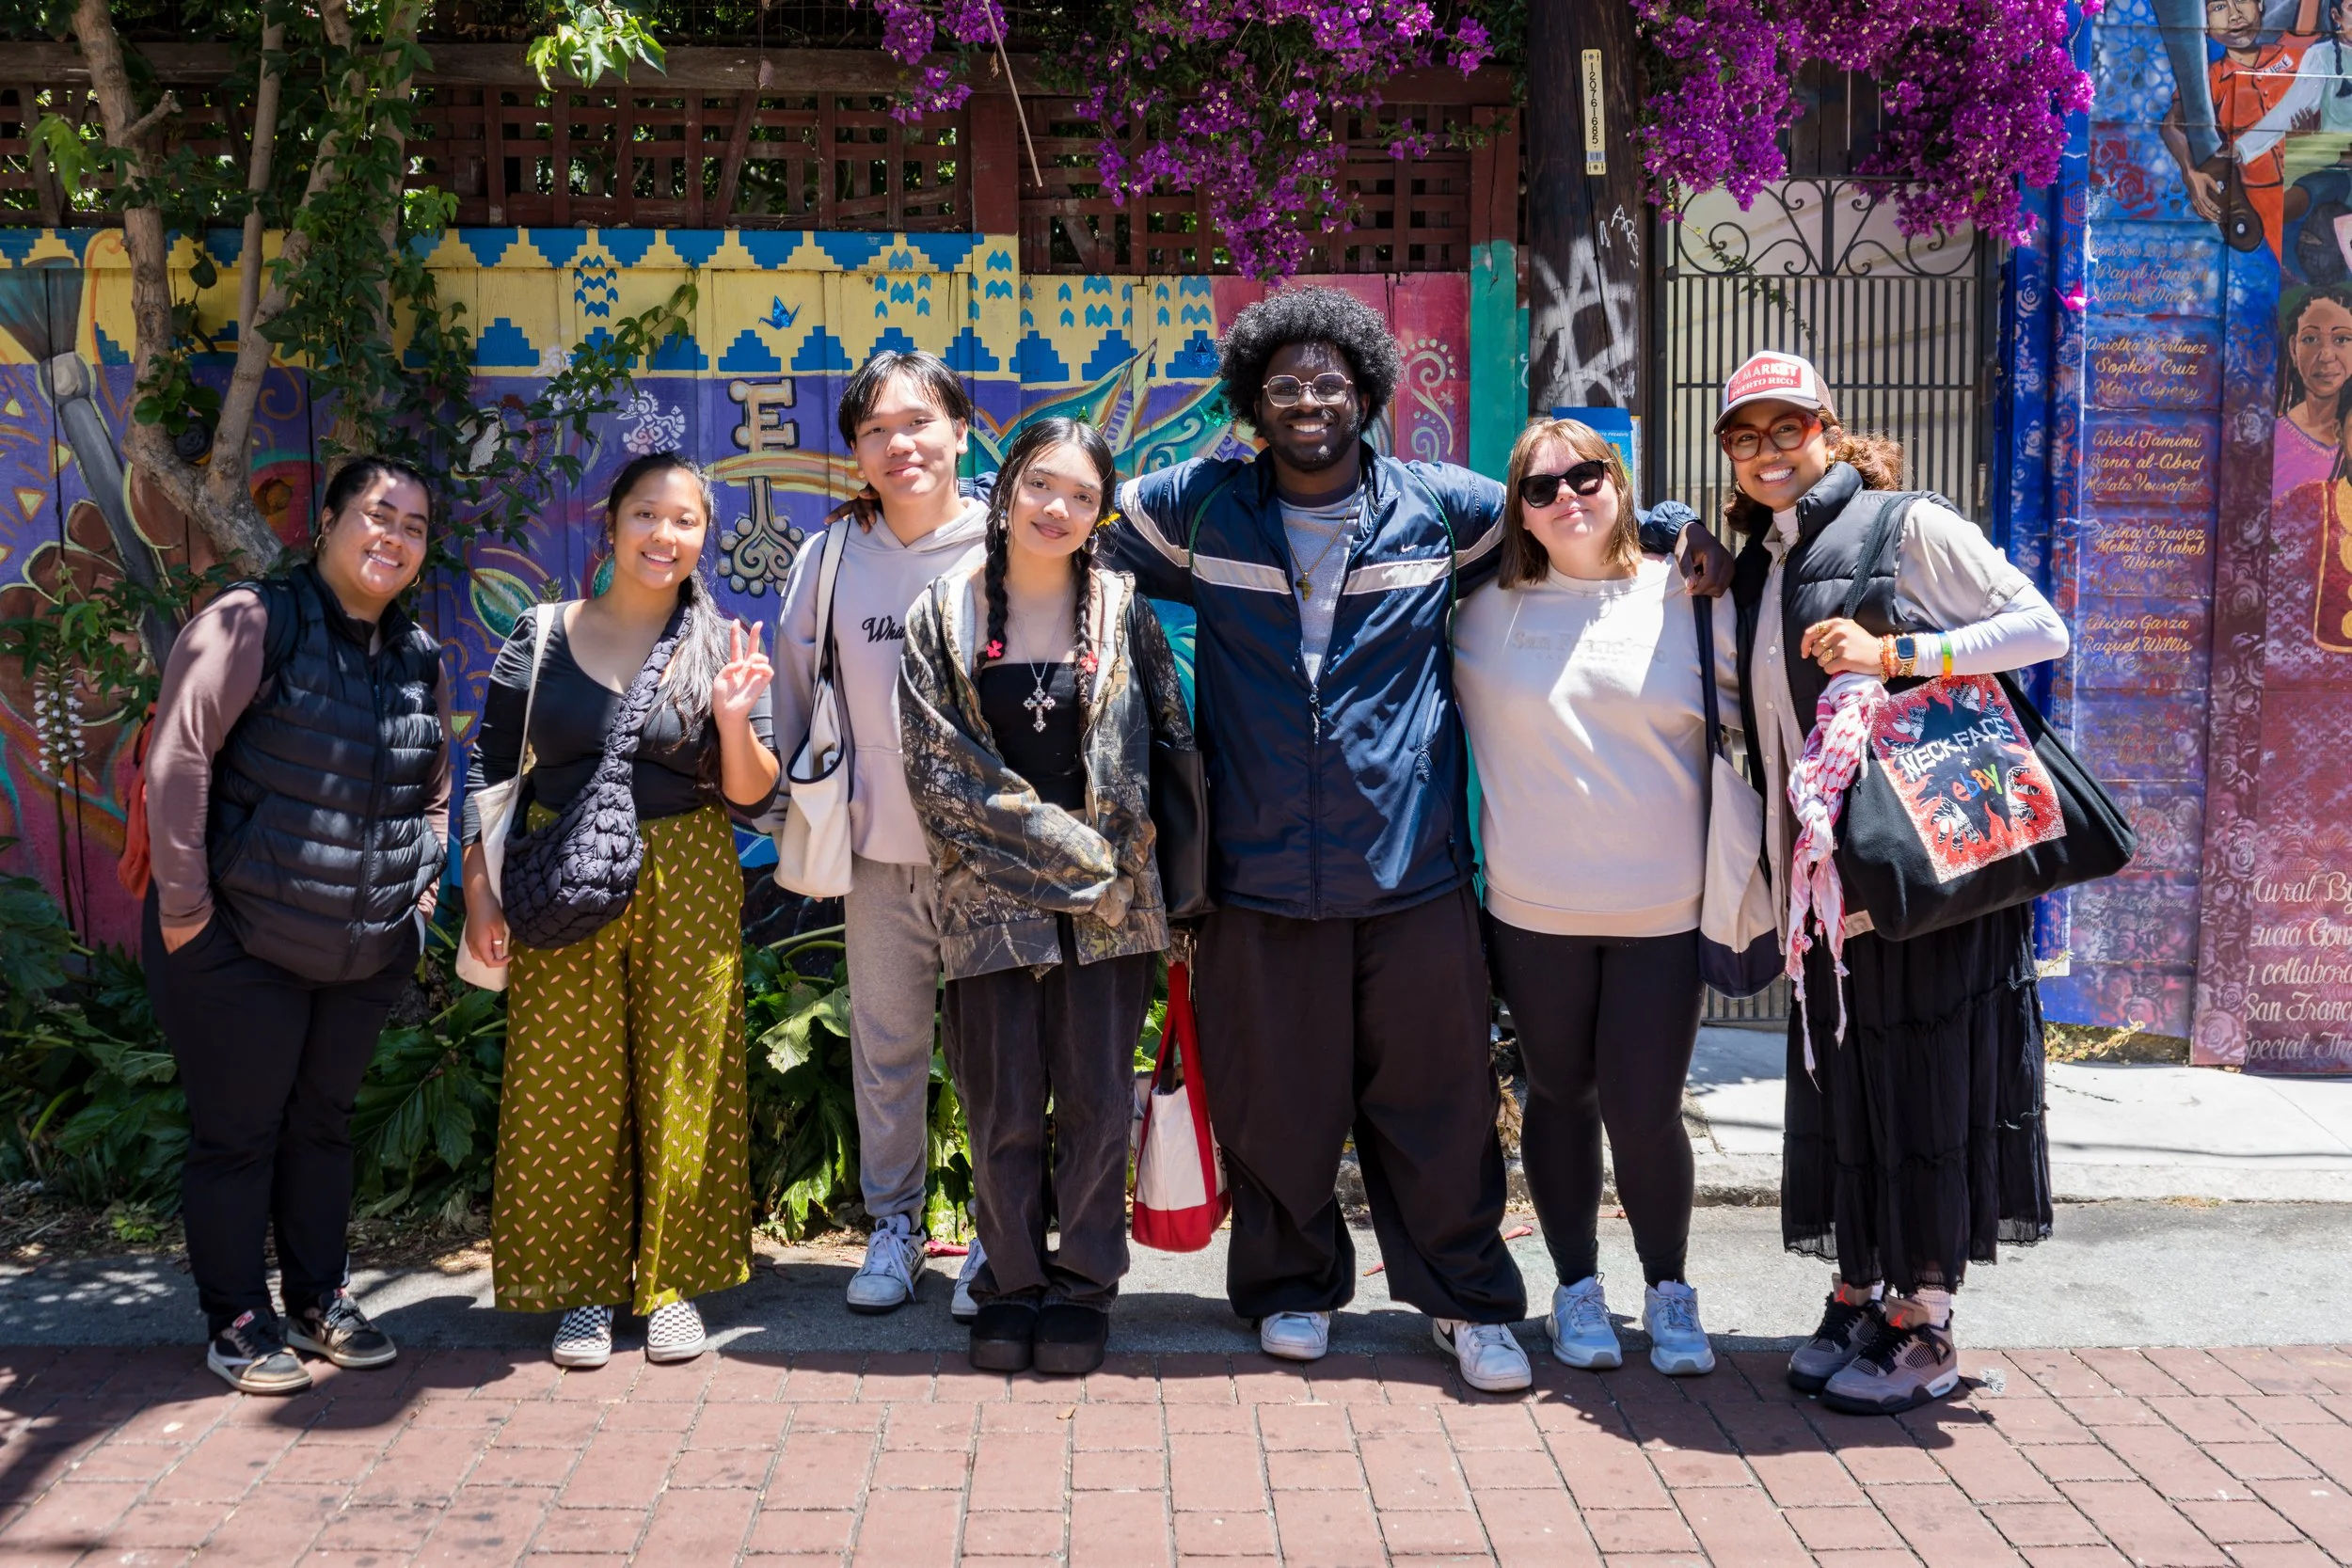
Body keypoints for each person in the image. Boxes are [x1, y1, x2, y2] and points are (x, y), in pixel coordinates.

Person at [1102, 286, 1732, 1393]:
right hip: (1258, 873)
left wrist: (1672, 526)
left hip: (1412, 874)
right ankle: (1292, 1286)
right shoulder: (1200, 509)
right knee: (1275, 1097)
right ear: (1254, 400)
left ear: (1367, 395)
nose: (1308, 399)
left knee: (1438, 1101)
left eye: (1330, 381)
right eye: (1284, 383)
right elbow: (1056, 512)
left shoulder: (1440, 509)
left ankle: (1465, 1299)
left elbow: (1566, 513)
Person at [1712, 350, 2071, 1416]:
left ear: (1827, 427)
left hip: (1923, 872)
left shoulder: (1901, 521)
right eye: (1747, 435)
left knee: (1924, 1083)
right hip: (1832, 880)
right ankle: (1863, 1290)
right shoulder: (1762, 555)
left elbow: (2039, 626)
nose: (1770, 451)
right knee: (1854, 1084)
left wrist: (1897, 650)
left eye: (1788, 429)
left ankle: (1926, 1323)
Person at [462, 451, 781, 1368]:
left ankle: (672, 1281)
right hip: (563, 868)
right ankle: (583, 1290)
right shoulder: (542, 632)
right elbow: (488, 766)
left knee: (686, 1074)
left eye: (684, 520)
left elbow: (754, 794)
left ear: (701, 538)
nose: (663, 535)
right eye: (647, 515)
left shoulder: (721, 643)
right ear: (611, 526)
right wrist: (480, 891)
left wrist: (731, 719)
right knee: (566, 1076)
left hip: (688, 869)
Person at [144, 456, 447, 1394]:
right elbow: (177, 762)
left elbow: (433, 788)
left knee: (321, 1126)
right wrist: (190, 913)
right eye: (376, 514)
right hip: (238, 941)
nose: (393, 535)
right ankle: (236, 1316)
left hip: (360, 950)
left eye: (414, 526)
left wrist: (419, 904)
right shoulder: (249, 622)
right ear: (326, 521)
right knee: (239, 1132)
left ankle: (319, 1299)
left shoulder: (417, 655)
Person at [898, 419, 1194, 1377]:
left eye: (1078, 494)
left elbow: (1165, 744)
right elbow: (941, 771)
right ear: (1005, 489)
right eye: (1039, 485)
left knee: (1100, 1102)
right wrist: (1078, 857)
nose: (1055, 508)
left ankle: (1082, 1287)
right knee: (1003, 1103)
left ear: (1099, 511)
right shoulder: (942, 613)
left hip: (1114, 907)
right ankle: (1010, 1283)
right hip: (990, 894)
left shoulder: (1122, 606)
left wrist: (1135, 871)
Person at [1453, 419, 1732, 1380]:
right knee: (1558, 1094)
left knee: (1644, 1105)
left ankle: (1668, 1288)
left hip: (1665, 910)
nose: (1567, 497)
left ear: (1620, 482)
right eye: (1540, 487)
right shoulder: (1478, 610)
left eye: (1586, 476)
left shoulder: (1689, 594)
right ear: (1517, 513)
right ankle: (1577, 1285)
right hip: (1534, 913)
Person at [771, 350, 995, 1319]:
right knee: (888, 1045)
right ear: (855, 452)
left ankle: (1003, 1233)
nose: (899, 443)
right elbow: (789, 698)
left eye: (918, 422)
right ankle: (894, 1225)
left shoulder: (1012, 537)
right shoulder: (827, 560)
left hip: (997, 860)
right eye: (875, 430)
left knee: (1002, 1050)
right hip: (876, 850)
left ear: (958, 429)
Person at [2276, 287, 2352, 492]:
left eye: (2342, 339)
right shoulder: (2272, 442)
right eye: (2310, 339)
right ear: (2293, 349)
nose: (2326, 355)